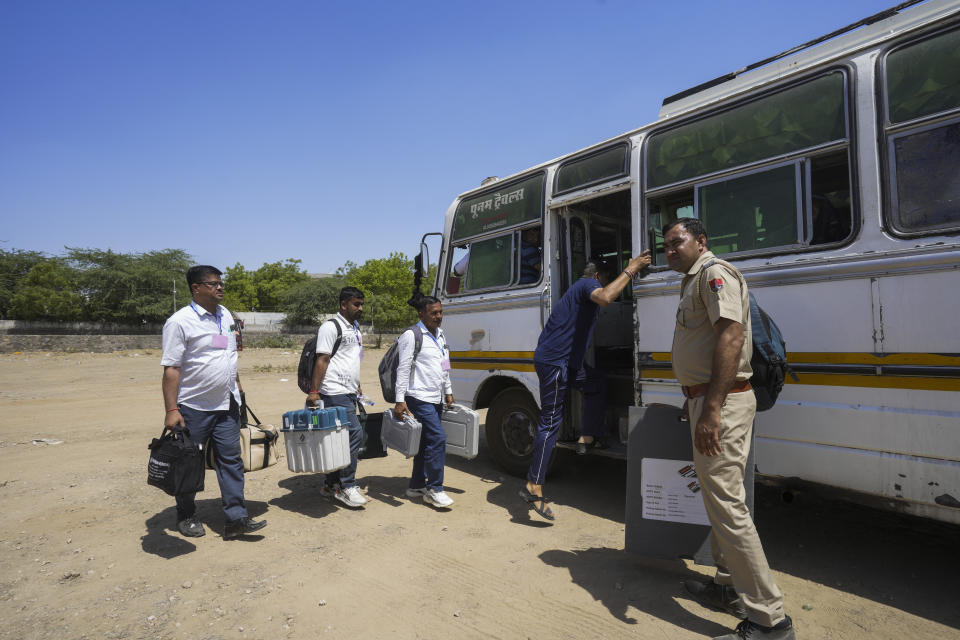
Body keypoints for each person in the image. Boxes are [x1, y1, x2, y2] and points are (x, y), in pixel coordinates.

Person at [664, 218, 795, 640]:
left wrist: (713, 408)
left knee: (727, 505)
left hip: (723, 402)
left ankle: (769, 620)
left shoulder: (714, 274)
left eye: (677, 242)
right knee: (720, 498)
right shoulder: (692, 280)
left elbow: (731, 337)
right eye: (665, 245)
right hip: (708, 399)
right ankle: (727, 588)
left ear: (701, 241)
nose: (669, 250)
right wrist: (697, 399)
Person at [521, 250, 652, 520]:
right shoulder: (587, 284)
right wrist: (632, 269)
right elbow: (605, 298)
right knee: (550, 422)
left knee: (596, 383)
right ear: (596, 276)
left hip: (569, 364)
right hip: (555, 363)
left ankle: (587, 436)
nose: (605, 284)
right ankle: (534, 484)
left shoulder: (582, 289)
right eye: (604, 279)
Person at [161, 265, 267, 540]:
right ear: (196, 289)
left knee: (231, 461)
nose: (220, 287)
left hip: (227, 405)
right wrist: (172, 410)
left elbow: (229, 357)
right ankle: (186, 514)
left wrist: (239, 391)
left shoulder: (226, 316)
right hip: (194, 407)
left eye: (221, 283)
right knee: (189, 464)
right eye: (213, 284)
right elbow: (171, 369)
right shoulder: (180, 322)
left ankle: (236, 518)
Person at [306, 287, 369, 508]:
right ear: (343, 305)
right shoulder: (330, 327)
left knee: (339, 439)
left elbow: (350, 358)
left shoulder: (356, 328)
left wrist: (357, 384)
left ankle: (331, 484)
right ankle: (346, 485)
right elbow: (322, 359)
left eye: (362, 304)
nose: (360, 308)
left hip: (349, 391)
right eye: (356, 304)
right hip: (333, 391)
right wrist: (314, 392)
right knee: (354, 434)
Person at [393, 296, 456, 509]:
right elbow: (403, 369)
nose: (439, 317)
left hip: (435, 396)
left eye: (440, 312)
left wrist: (448, 390)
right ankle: (435, 489)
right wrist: (400, 400)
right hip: (418, 397)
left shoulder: (440, 335)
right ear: (421, 314)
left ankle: (416, 486)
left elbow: (445, 363)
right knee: (438, 439)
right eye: (434, 313)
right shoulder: (412, 335)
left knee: (424, 443)